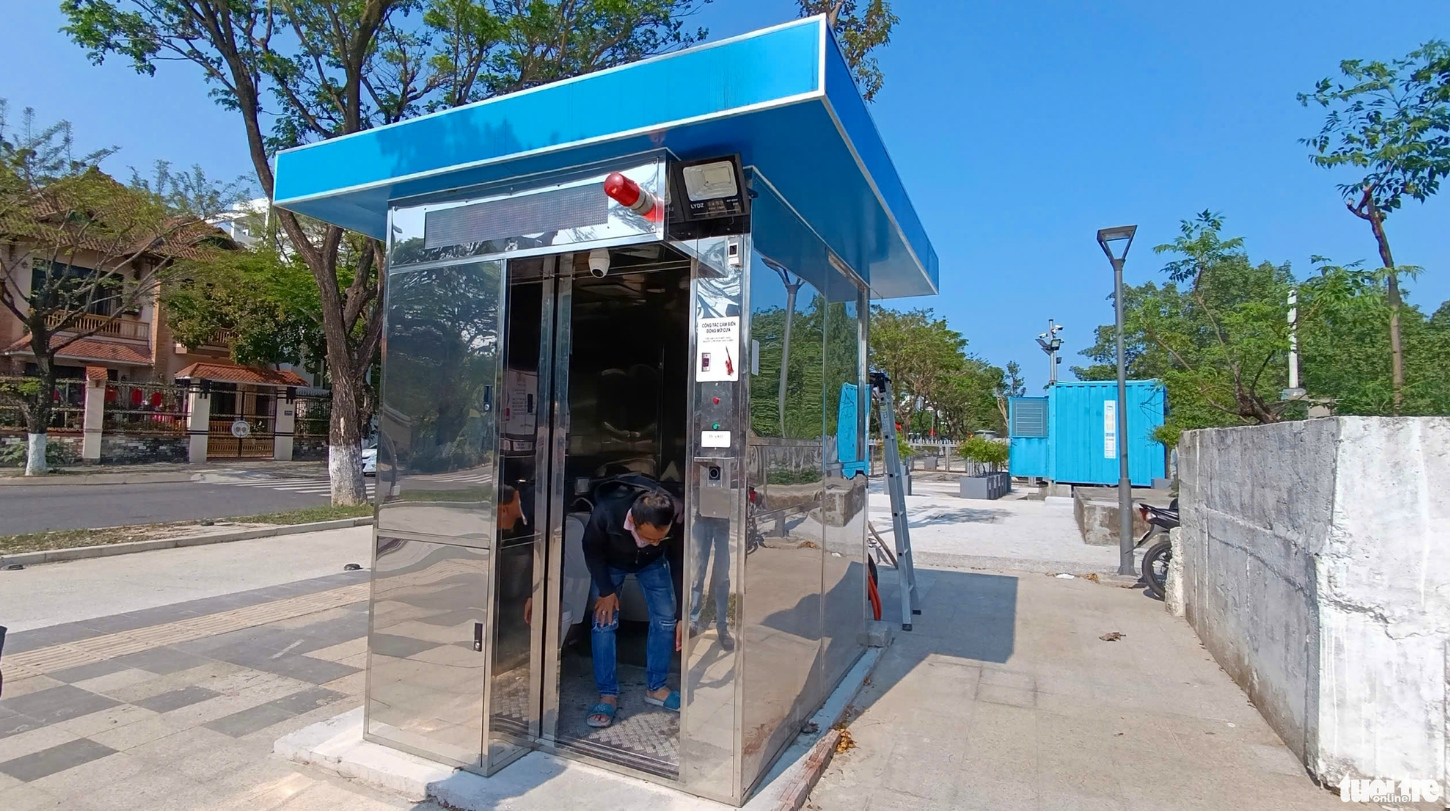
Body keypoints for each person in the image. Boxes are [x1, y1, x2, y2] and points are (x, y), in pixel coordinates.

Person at [581, 482, 683, 729]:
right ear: (633, 522)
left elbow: (679, 559)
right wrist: (606, 590)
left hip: (653, 564)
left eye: (662, 537)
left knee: (666, 620)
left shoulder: (675, 513)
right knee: (603, 623)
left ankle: (656, 688)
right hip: (611, 563)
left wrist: (682, 613)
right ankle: (607, 694)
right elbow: (591, 549)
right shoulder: (608, 512)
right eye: (649, 537)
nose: (655, 542)